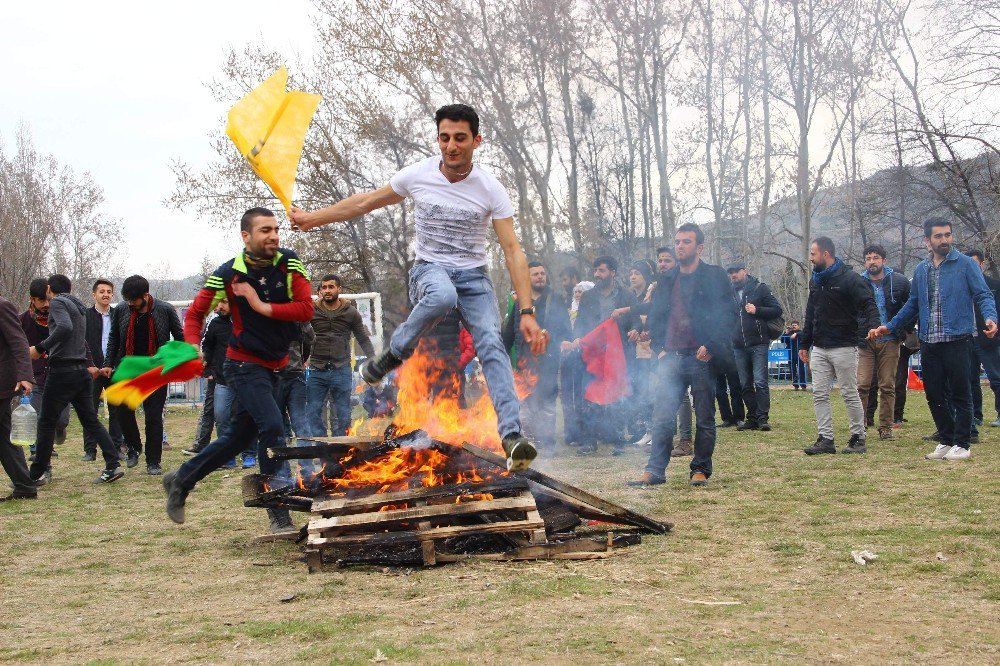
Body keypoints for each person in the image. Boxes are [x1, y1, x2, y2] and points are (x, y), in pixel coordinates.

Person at [289, 104, 544, 471]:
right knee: (442, 296)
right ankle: (393, 355)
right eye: (444, 138)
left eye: (460, 138)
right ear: (437, 139)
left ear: (476, 140)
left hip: (474, 276)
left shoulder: (491, 188)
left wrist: (527, 310)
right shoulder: (418, 175)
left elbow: (513, 250)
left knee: (490, 342)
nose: (451, 146)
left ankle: (511, 436)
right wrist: (313, 218)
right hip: (429, 270)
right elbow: (365, 202)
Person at [162, 207, 314, 532]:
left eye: (275, 229)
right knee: (273, 427)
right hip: (244, 364)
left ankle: (181, 479)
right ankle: (278, 512)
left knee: (237, 438)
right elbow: (194, 314)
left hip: (276, 365)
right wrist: (191, 344)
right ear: (246, 236)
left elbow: (305, 309)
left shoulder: (290, 262)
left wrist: (259, 305)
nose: (273, 235)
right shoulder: (228, 273)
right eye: (265, 230)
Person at [869, 219, 997, 461]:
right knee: (935, 394)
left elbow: (982, 295)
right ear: (927, 241)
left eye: (948, 235)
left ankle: (963, 443)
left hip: (958, 338)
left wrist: (990, 318)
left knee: (961, 393)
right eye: (938, 236)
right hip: (929, 341)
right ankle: (946, 440)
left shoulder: (967, 265)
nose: (945, 240)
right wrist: (890, 326)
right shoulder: (921, 270)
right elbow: (913, 304)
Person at [629, 223, 736, 487]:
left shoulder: (715, 276)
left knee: (705, 416)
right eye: (677, 241)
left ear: (700, 247)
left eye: (686, 242)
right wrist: (658, 346)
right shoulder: (667, 279)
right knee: (662, 417)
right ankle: (655, 471)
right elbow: (657, 315)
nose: (680, 246)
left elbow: (729, 315)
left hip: (701, 356)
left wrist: (710, 346)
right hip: (671, 356)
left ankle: (700, 469)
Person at [28, 274, 125, 485]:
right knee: (90, 420)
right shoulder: (78, 306)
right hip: (80, 371)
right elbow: (77, 337)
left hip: (62, 370)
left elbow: (64, 328)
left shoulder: (58, 303)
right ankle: (112, 463)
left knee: (45, 422)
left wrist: (39, 348)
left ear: (49, 289)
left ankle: (35, 474)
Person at [799, 238, 881, 455]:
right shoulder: (815, 280)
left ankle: (858, 437)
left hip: (844, 345)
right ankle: (825, 439)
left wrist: (874, 327)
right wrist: (804, 342)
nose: (810, 257)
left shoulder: (850, 278)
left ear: (826, 254)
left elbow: (868, 303)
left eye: (813, 253)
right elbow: (811, 313)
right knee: (819, 394)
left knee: (848, 392)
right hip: (819, 346)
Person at [102, 275, 184, 476]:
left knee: (154, 417)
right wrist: (107, 364)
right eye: (128, 300)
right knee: (122, 409)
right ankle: (133, 447)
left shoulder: (164, 309)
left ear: (145, 295)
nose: (131, 304)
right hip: (127, 367)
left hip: (155, 369)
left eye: (134, 300)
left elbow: (180, 337)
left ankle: (153, 461)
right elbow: (114, 338)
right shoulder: (121, 309)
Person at [564, 255, 637, 455]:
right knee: (589, 393)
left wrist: (635, 330)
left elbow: (636, 319)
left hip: (619, 353)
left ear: (613, 272)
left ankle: (618, 440)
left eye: (602, 270)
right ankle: (589, 440)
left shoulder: (626, 295)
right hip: (593, 355)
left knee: (618, 394)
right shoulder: (588, 297)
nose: (597, 274)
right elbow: (580, 325)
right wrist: (577, 339)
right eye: (596, 270)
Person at [502, 261, 571, 458]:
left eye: (542, 273)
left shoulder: (555, 299)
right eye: (535, 274)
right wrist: (498, 353)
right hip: (524, 361)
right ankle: (530, 442)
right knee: (526, 402)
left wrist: (552, 337)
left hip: (548, 361)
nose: (540, 276)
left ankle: (548, 443)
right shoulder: (519, 304)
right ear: (527, 278)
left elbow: (566, 330)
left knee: (547, 402)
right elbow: (508, 332)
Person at [306, 275, 375, 437]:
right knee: (314, 413)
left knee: (342, 415)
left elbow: (363, 338)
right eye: (324, 287)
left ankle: (340, 454)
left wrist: (373, 360)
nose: (327, 290)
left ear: (339, 289)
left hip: (341, 369)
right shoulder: (310, 310)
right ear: (320, 291)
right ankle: (322, 451)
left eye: (331, 287)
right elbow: (300, 335)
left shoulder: (351, 313)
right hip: (317, 369)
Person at [856, 245, 910, 441]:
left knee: (888, 385)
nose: (872, 261)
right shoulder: (858, 283)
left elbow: (912, 306)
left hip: (890, 340)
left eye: (876, 257)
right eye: (868, 258)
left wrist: (904, 329)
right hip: (866, 341)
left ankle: (885, 427)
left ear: (884, 261)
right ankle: (859, 426)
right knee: (862, 385)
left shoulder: (900, 281)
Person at [18, 279, 71, 464]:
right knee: (36, 415)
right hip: (35, 377)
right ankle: (37, 452)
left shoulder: (60, 318)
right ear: (32, 299)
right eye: (42, 300)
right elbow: (16, 349)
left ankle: (59, 430)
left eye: (49, 299)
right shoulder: (22, 321)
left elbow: (80, 342)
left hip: (60, 374)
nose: (47, 304)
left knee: (61, 419)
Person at [728, 261, 782, 431]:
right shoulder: (729, 293)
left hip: (758, 343)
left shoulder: (760, 288)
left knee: (760, 382)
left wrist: (757, 310)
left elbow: (777, 309)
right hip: (738, 345)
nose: (734, 275)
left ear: (745, 271)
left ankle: (762, 418)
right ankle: (752, 417)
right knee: (745, 384)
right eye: (731, 272)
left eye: (736, 271)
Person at [83, 279, 125, 461]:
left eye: (109, 291)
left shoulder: (118, 315)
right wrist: (88, 365)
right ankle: (90, 450)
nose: (105, 294)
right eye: (102, 291)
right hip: (92, 370)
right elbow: (81, 342)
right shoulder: (85, 316)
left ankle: (116, 447)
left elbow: (122, 342)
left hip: (114, 369)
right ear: (94, 294)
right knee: (89, 410)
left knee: (116, 410)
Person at [0, 293, 36, 501]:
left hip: (4, 383)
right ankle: (24, 486)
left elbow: (19, 342)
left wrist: (25, 376)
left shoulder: (3, 306)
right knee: (5, 437)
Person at [965, 249, 1000, 428]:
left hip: (988, 339)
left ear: (982, 265)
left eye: (974, 264)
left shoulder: (994, 285)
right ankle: (975, 415)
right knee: (970, 380)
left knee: (995, 377)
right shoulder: (963, 287)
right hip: (966, 339)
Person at [561, 281, 594, 448]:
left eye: (582, 291)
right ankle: (570, 433)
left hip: (585, 357)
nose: (578, 294)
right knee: (568, 396)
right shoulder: (568, 309)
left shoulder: (590, 310)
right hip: (567, 356)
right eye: (576, 291)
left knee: (583, 395)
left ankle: (584, 432)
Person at [782, 321, 808, 389]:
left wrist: (796, 334)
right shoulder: (789, 333)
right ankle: (795, 384)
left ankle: (803, 385)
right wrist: (786, 332)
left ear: (798, 326)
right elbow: (782, 340)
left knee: (801, 369)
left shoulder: (801, 332)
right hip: (791, 354)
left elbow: (803, 334)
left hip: (799, 353)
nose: (794, 326)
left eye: (795, 325)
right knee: (792, 370)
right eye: (793, 325)